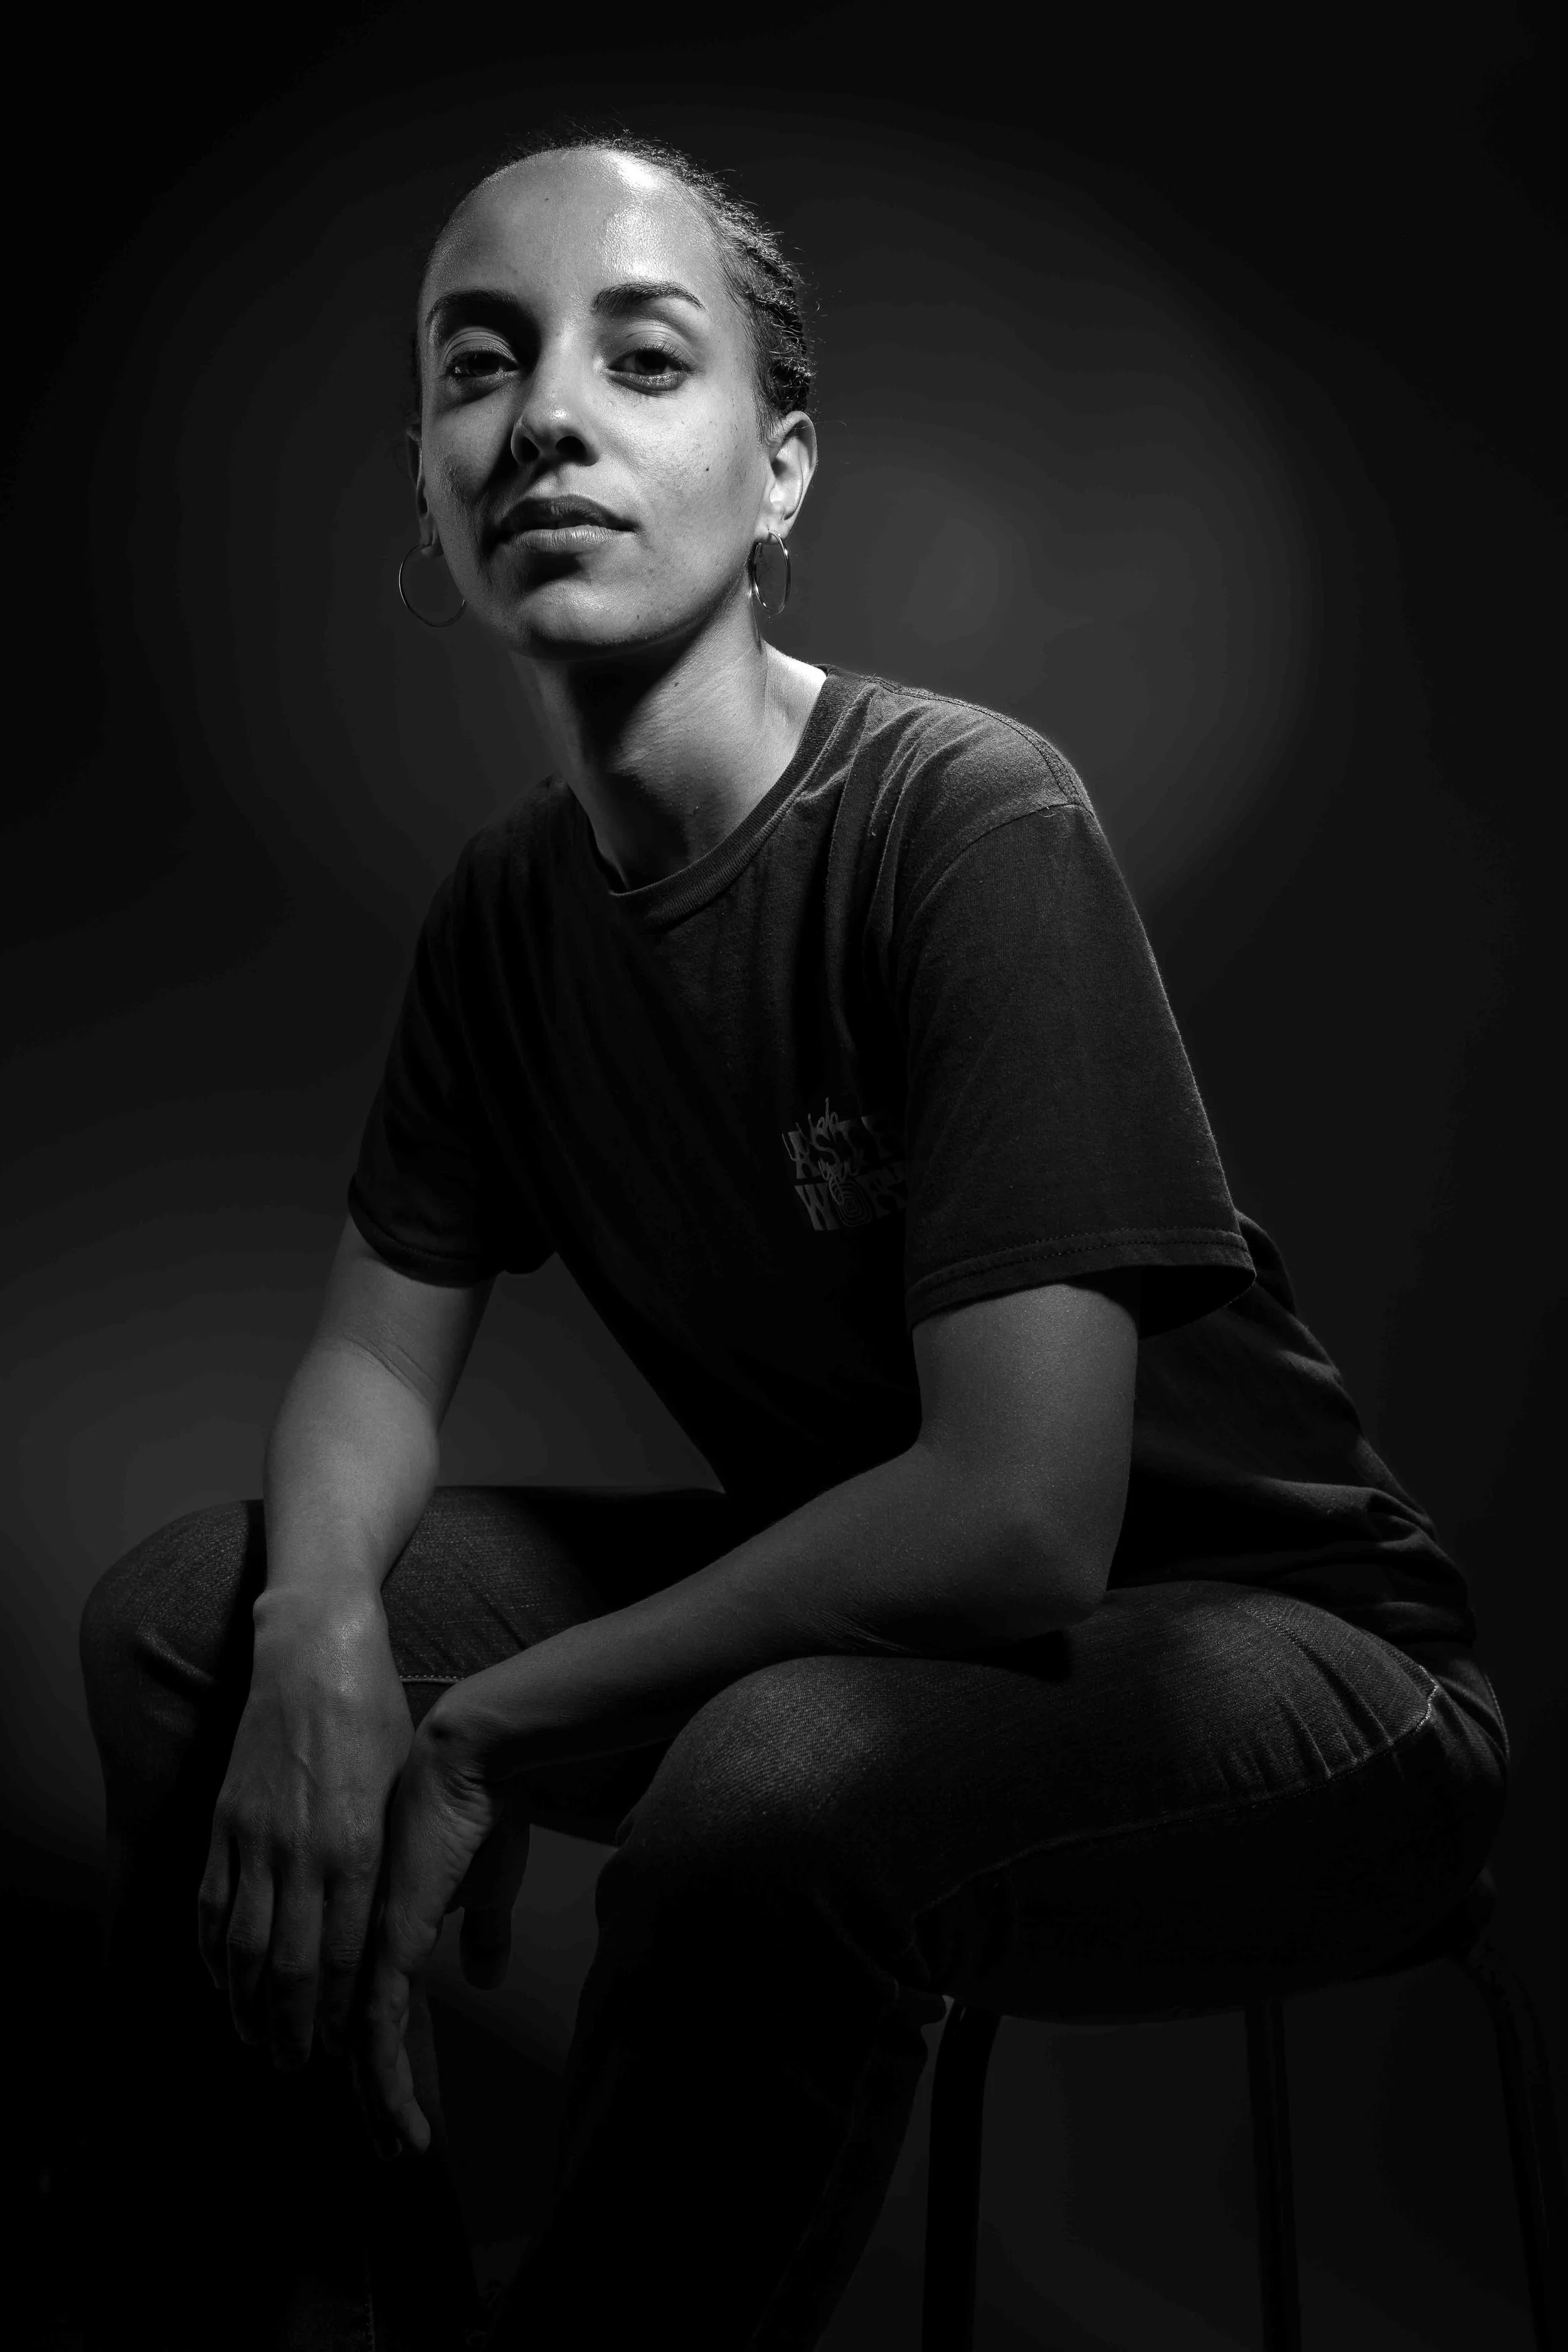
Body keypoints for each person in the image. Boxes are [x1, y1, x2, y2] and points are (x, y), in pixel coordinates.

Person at [78, 129, 1510, 2352]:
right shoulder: (505, 915)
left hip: (1294, 1665)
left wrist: (483, 1726)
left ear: (780, 472)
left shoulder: (965, 815)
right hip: (866, 1617)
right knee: (198, 1625)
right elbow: (370, 1356)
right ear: (432, 484)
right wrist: (323, 1635)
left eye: (642, 359)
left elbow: (1022, 1518)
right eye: (480, 364)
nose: (544, 416)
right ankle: (324, 2285)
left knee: (773, 1770)